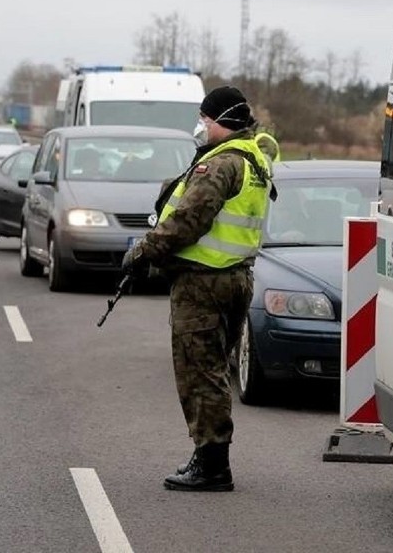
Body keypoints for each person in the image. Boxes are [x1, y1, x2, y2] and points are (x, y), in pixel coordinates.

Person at [121, 86, 273, 492]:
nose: (201, 127)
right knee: (215, 369)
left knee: (199, 373)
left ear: (220, 121)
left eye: (205, 120)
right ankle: (209, 457)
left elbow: (188, 220)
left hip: (204, 282)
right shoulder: (255, 158)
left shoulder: (221, 165)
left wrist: (144, 251)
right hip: (236, 277)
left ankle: (211, 465)